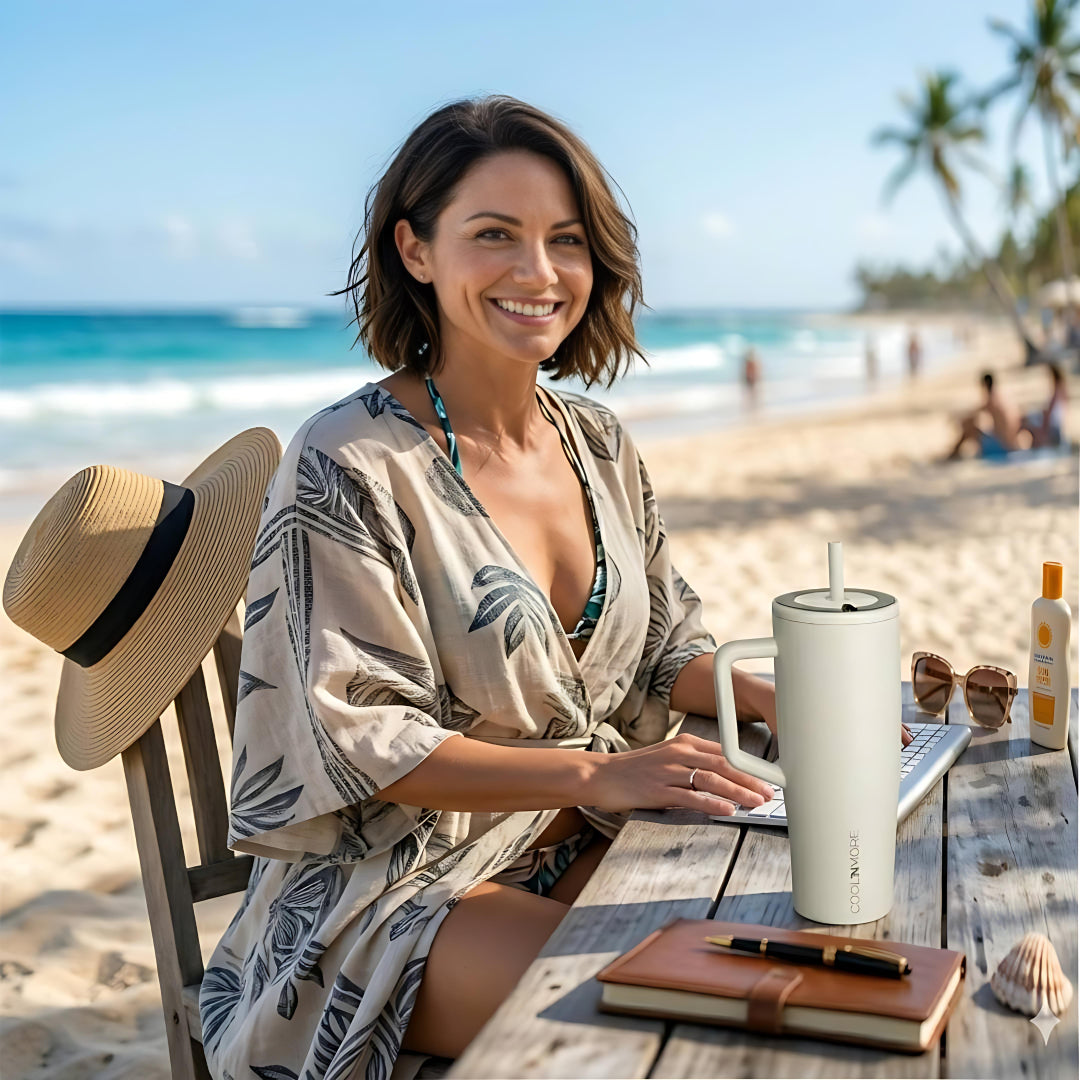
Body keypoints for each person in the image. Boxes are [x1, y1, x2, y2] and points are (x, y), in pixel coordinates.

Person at [199, 96, 910, 1080]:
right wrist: (591, 774)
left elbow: (663, 644)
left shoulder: (600, 444)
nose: (539, 273)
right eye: (495, 235)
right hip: (391, 899)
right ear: (415, 251)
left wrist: (763, 694)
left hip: (574, 846)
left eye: (565, 240)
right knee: (717, 1009)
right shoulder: (349, 461)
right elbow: (358, 742)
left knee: (838, 933)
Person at [944, 371, 1023, 460]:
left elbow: (974, 415)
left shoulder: (992, 400)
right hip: (1012, 442)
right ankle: (954, 453)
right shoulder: (1004, 397)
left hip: (1003, 446)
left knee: (971, 427)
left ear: (984, 385)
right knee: (975, 426)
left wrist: (956, 421)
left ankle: (953, 454)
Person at [1020, 362, 1068, 449]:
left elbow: (1049, 414)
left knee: (1028, 422)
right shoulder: (1063, 391)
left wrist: (1043, 430)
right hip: (1059, 427)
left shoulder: (1057, 394)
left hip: (1053, 428)